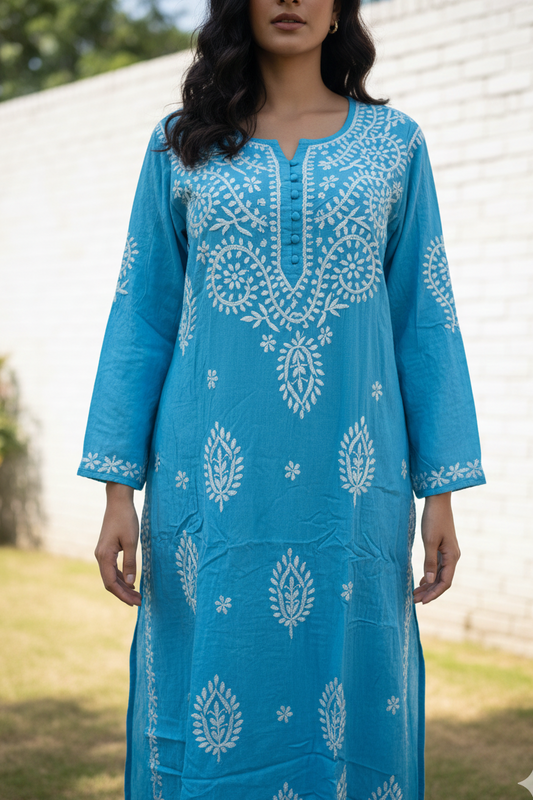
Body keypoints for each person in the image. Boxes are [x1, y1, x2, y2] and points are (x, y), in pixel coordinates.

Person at [77, 0, 486, 798]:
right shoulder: (181, 146)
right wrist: (115, 491)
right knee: (212, 686)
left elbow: (423, 321)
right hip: (210, 489)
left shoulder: (392, 146)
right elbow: (141, 314)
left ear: (339, 11)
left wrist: (441, 492)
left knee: (352, 676)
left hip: (354, 487)